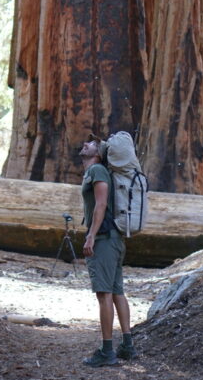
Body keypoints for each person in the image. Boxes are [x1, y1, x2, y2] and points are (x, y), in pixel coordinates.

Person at [79, 136, 137, 367]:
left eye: (91, 144)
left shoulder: (97, 171)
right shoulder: (97, 170)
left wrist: (91, 235)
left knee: (104, 294)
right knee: (115, 292)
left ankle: (106, 351)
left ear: (98, 154)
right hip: (114, 239)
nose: (86, 143)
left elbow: (101, 204)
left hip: (104, 239)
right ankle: (127, 346)